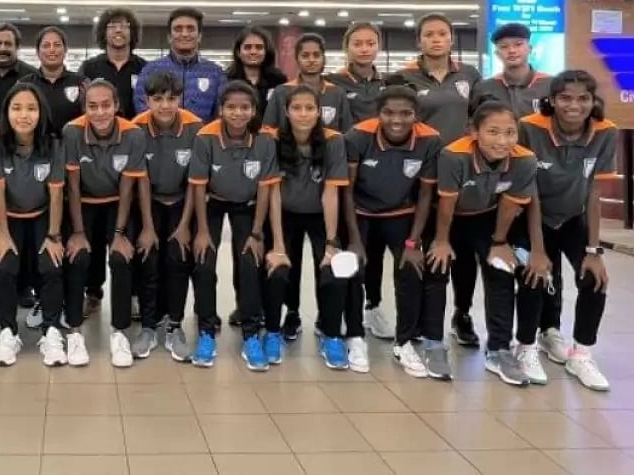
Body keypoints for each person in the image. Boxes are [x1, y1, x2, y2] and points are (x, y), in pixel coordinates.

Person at [343, 78, 450, 380]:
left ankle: (404, 342)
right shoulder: (357, 136)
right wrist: (353, 240)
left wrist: (413, 243)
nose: (397, 120)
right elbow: (346, 193)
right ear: (379, 113)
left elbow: (427, 194)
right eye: (389, 113)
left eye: (405, 114)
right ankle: (355, 335)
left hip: (402, 213)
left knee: (411, 268)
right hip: (361, 213)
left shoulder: (430, 140)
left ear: (416, 115)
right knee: (354, 267)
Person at [434, 100, 547, 386]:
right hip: (451, 217)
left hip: (489, 219)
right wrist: (441, 241)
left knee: (501, 269)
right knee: (444, 265)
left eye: (510, 132)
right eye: (493, 132)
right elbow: (446, 205)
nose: (502, 140)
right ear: (474, 132)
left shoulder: (524, 160)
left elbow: (510, 206)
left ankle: (498, 348)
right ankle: (446, 329)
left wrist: (499, 242)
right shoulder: (453, 155)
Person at [519, 70, 617, 391]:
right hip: (533, 215)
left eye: (583, 98)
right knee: (536, 276)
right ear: (552, 100)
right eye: (565, 98)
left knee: (594, 279)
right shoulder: (529, 128)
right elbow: (527, 190)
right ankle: (527, 346)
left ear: (593, 102)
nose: (574, 105)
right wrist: (536, 249)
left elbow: (594, 193)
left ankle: (581, 354)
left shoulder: (606, 132)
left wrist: (593, 251)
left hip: (574, 217)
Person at [399, 13, 484, 348]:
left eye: (442, 34)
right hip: (419, 174)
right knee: (424, 247)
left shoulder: (470, 75)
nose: (436, 39)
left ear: (451, 39)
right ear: (419, 40)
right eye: (429, 34)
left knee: (461, 252)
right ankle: (422, 318)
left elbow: (481, 117)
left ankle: (461, 314)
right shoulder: (404, 76)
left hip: (462, 174)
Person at [189, 81, 286, 370]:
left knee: (249, 263)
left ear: (254, 111)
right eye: (231, 107)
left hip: (248, 206)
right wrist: (203, 231)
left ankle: (250, 334)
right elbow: (197, 187)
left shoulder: (265, 140)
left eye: (245, 107)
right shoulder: (206, 137)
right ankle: (206, 331)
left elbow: (266, 188)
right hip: (213, 202)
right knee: (204, 261)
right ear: (221, 109)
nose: (237, 113)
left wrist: (257, 233)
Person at [62, 82, 150, 368]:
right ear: (84, 108)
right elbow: (72, 188)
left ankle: (120, 332)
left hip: (117, 202)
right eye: (92, 106)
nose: (100, 112)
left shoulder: (133, 134)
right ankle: (74, 331)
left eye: (106, 105)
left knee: (121, 257)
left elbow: (128, 187)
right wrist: (77, 232)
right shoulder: (72, 132)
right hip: (83, 202)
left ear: (117, 106)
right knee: (78, 256)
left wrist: (120, 234)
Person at [0, 83, 66, 366]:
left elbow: (55, 192)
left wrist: (54, 236)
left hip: (42, 215)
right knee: (5, 267)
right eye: (16, 108)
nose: (24, 115)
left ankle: (51, 331)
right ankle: (8, 332)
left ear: (41, 112)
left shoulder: (53, 144)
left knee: (50, 266)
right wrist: (2, 234)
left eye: (31, 108)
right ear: (7, 112)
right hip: (10, 217)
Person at [274, 85, 354, 369]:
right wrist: (278, 241)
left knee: (332, 268)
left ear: (319, 112)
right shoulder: (275, 140)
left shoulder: (333, 141)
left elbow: (331, 192)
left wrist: (332, 242)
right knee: (286, 268)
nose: (304, 114)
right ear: (286, 111)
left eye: (310, 108)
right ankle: (291, 314)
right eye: (297, 108)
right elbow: (273, 190)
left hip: (321, 215)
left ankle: (330, 331)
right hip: (285, 213)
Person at [132, 72, 202, 362]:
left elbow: (195, 181)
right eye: (157, 99)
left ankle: (174, 325)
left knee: (177, 259)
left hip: (182, 202)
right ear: (146, 100)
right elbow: (141, 180)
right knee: (148, 259)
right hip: (148, 202)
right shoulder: (136, 129)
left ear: (180, 99)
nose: (165, 105)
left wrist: (185, 225)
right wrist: (147, 226)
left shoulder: (195, 127)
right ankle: (148, 326)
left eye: (171, 98)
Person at [134, 7, 225, 121]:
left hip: (203, 137)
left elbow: (221, 113)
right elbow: (142, 108)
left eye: (190, 29)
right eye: (178, 29)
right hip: (159, 138)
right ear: (169, 37)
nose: (185, 34)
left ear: (200, 36)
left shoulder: (215, 73)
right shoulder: (150, 70)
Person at [262, 33, 353, 133]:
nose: (311, 60)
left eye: (316, 55)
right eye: (305, 56)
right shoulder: (281, 92)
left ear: (323, 59)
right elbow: (268, 131)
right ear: (297, 59)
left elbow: (347, 132)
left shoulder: (337, 93)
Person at [80, 8, 148, 120]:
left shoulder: (145, 68)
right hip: (99, 132)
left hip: (137, 132)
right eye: (112, 26)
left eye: (124, 26)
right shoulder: (88, 68)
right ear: (103, 32)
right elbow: (83, 105)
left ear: (132, 32)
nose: (118, 30)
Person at [472, 23, 552, 118]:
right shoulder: (484, 88)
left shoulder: (550, 85)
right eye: (504, 46)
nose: (511, 50)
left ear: (530, 49)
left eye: (518, 44)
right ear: (497, 54)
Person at [20, 26, 86, 136]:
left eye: (57, 45)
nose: (52, 49)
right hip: (35, 149)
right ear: (38, 51)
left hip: (72, 148)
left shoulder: (81, 83)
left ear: (65, 50)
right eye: (46, 45)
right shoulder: (25, 84)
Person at [327, 22, 386, 124]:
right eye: (357, 44)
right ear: (346, 48)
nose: (364, 49)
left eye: (371, 44)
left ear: (379, 47)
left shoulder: (389, 83)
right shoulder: (332, 82)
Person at [224, 26, 287, 118]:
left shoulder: (279, 79)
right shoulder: (226, 79)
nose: (253, 52)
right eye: (247, 47)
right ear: (238, 52)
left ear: (266, 51)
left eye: (259, 47)